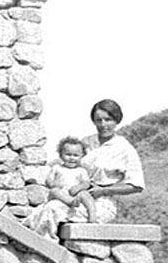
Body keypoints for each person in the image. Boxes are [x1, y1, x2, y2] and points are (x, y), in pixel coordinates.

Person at [23, 99, 144, 240]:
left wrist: (104, 190)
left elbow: (136, 186)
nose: (103, 124)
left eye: (108, 119)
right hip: (74, 195)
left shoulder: (124, 149)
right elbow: (67, 160)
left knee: (53, 209)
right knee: (40, 211)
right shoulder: (87, 142)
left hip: (100, 202)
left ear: (117, 120)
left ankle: (45, 247)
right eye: (98, 120)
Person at [45, 136, 98, 224]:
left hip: (76, 194)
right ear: (61, 155)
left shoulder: (81, 171)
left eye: (76, 155)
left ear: (82, 156)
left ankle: (92, 214)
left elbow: (86, 183)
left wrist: (79, 187)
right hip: (62, 192)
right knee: (54, 191)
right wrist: (53, 184)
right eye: (68, 154)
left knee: (85, 194)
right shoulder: (57, 168)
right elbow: (49, 180)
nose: (72, 158)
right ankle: (70, 201)